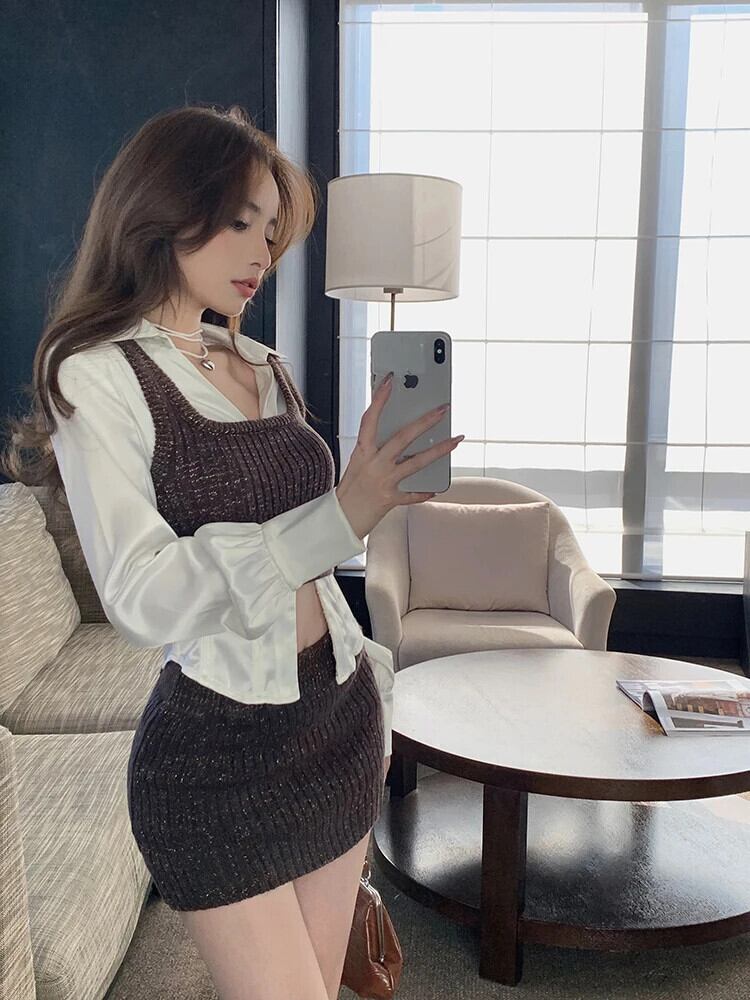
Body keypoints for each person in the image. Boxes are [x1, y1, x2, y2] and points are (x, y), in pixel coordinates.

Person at [1, 104, 462, 1000]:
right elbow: (139, 595)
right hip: (215, 759)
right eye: (241, 222)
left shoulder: (258, 359)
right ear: (164, 211)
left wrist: (370, 490)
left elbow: (309, 541)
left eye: (272, 229)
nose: (264, 252)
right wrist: (343, 513)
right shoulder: (96, 372)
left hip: (337, 719)